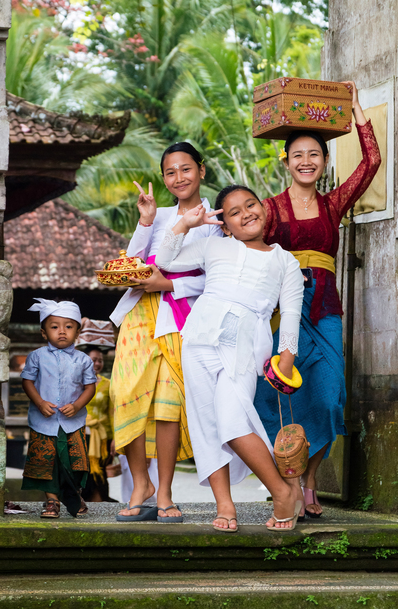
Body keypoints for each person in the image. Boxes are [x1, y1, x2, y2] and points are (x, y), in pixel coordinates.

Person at [254, 81, 381, 518]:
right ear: (285, 162)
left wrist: (357, 106)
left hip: (326, 310)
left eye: (314, 154)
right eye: (297, 155)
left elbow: (372, 162)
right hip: (281, 313)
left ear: (325, 162)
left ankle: (310, 481)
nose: (306, 161)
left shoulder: (334, 204)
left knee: (327, 398)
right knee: (275, 396)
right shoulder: (268, 209)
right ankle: (287, 481)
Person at [156, 186, 304, 531]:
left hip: (247, 341)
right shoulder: (213, 244)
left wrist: (286, 360)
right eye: (234, 212)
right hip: (199, 337)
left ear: (264, 209)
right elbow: (164, 260)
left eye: (250, 205)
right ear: (225, 224)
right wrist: (185, 224)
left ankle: (282, 492)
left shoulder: (285, 260)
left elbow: (292, 314)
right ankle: (225, 506)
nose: (245, 214)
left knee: (233, 421)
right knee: (206, 423)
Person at [110, 142, 223, 522]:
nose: (179, 178)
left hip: (183, 317)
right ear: (163, 178)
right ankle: (140, 483)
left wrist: (171, 286)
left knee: (167, 406)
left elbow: (216, 278)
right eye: (171, 172)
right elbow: (132, 263)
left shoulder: (217, 220)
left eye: (186, 169)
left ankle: (165, 493)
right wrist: (145, 221)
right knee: (124, 392)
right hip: (141, 314)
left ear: (202, 170)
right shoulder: (156, 215)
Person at [21, 299, 97, 518]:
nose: (61, 332)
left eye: (68, 326)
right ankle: (52, 502)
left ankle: (74, 495)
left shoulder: (84, 360)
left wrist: (77, 405)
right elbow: (27, 381)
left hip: (72, 422)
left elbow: (90, 388)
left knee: (74, 462)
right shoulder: (36, 356)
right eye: (54, 327)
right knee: (48, 463)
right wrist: (40, 402)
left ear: (78, 332)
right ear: (44, 333)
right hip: (44, 421)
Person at [80, 346, 118, 503]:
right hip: (81, 434)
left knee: (100, 470)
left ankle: (101, 500)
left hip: (103, 436)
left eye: (100, 360)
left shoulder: (108, 384)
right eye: (93, 360)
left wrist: (116, 438)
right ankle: (84, 501)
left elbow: (112, 413)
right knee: (83, 469)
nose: (97, 364)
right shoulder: (76, 383)